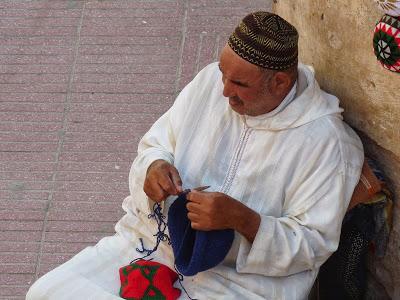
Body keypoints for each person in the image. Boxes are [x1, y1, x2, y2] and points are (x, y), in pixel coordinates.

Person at [26, 11, 363, 300]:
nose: (224, 91)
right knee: (47, 292)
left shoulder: (328, 144)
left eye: (240, 84)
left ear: (278, 82)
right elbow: (155, 145)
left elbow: (313, 244)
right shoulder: (209, 85)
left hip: (241, 282)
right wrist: (153, 168)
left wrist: (243, 220)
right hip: (153, 247)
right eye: (222, 73)